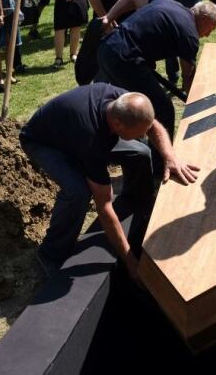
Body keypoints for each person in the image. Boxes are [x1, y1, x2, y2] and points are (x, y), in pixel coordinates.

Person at [20, 84, 199, 278]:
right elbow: (104, 205)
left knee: (141, 152)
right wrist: (130, 260)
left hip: (71, 130)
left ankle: (138, 204)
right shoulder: (92, 139)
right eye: (138, 132)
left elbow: (152, 125)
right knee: (78, 191)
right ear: (118, 125)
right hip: (43, 142)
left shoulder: (123, 100)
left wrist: (170, 157)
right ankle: (50, 253)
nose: (142, 135)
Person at [97, 0, 216, 136]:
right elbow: (188, 79)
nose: (208, 35)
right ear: (204, 18)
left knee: (118, 107)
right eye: (211, 29)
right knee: (163, 111)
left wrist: (108, 17)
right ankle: (161, 158)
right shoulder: (190, 35)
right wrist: (199, 107)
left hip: (107, 47)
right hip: (126, 59)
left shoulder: (169, 3)